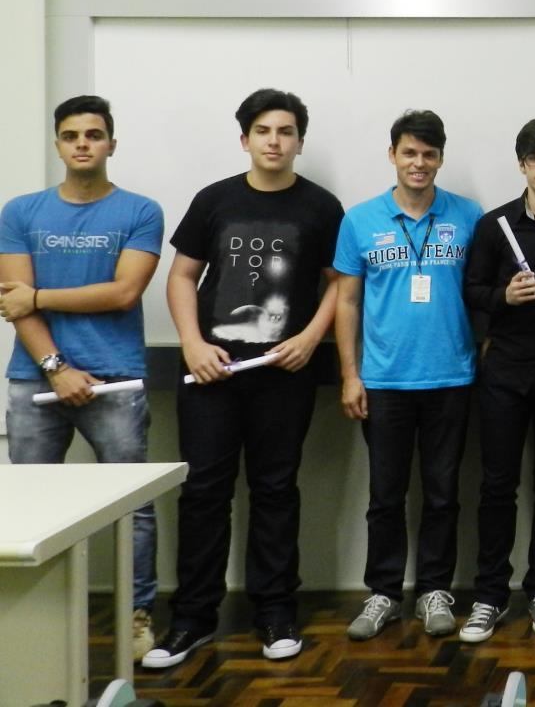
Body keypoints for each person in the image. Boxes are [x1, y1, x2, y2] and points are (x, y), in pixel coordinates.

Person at [143, 89, 344, 667]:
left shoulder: (322, 207)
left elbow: (340, 283)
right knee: (204, 492)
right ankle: (191, 620)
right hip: (213, 373)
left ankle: (276, 614)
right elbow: (181, 277)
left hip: (284, 375)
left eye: (285, 131)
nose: (274, 141)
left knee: (276, 490)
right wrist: (193, 344)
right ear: (245, 140)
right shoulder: (215, 200)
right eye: (263, 131)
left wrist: (310, 339)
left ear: (299, 141)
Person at [1, 95, 164, 660]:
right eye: (71, 136)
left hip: (115, 382)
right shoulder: (20, 212)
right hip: (34, 381)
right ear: (58, 145)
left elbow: (123, 292)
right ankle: (33, 626)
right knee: (29, 505)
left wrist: (40, 295)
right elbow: (13, 305)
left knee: (132, 508)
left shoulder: (141, 211)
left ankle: (137, 617)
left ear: (111, 144)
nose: (82, 144)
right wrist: (57, 368)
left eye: (93, 135)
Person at [334, 110, 483, 639]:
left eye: (429, 154)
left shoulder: (468, 216)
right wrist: (351, 375)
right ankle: (382, 593)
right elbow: (346, 301)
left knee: (443, 492)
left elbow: (482, 293)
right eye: (409, 152)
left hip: (452, 378)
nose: (419, 163)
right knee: (385, 495)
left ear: (441, 158)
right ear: (392, 154)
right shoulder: (360, 220)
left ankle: (435, 590)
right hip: (384, 380)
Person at [460, 119, 535, 643]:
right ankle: (489, 594)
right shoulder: (494, 226)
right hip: (505, 373)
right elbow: (471, 289)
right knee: (496, 485)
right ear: (522, 164)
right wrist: (502, 298)